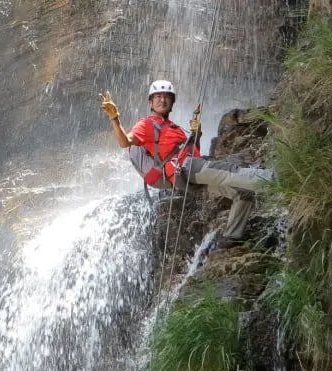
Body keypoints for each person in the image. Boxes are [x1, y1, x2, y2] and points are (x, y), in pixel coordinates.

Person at [99, 79, 272, 246]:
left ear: (172, 102)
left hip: (186, 174)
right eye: (157, 96)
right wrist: (115, 118)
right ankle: (276, 180)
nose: (162, 99)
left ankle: (233, 237)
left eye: (167, 96)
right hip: (183, 168)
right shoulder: (146, 124)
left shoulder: (175, 128)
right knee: (230, 171)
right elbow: (125, 142)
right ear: (150, 102)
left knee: (242, 192)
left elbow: (193, 152)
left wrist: (197, 134)